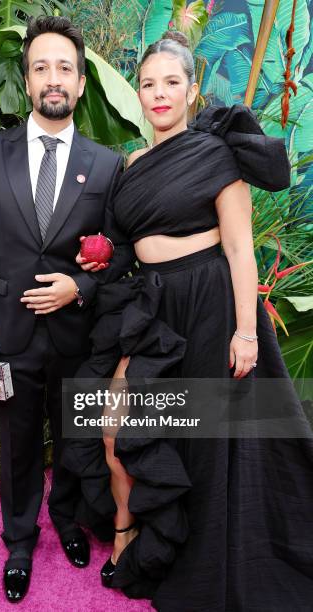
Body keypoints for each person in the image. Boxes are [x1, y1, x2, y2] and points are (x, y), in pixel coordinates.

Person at [62, 30, 313, 610]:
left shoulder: (216, 153)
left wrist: (245, 331)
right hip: (150, 304)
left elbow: (241, 250)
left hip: (207, 301)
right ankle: (127, 528)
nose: (157, 93)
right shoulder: (131, 162)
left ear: (192, 91)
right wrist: (96, 257)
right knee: (116, 426)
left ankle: (198, 550)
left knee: (202, 438)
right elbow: (126, 246)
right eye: (148, 83)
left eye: (171, 82)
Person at [0, 16, 133, 603]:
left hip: (76, 334)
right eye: (40, 67)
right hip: (6, 333)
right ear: (26, 81)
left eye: (64, 68)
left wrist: (77, 291)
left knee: (74, 437)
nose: (52, 78)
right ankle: (19, 541)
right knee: (19, 442)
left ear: (82, 84)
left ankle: (65, 518)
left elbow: (119, 250)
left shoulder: (106, 165)